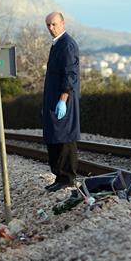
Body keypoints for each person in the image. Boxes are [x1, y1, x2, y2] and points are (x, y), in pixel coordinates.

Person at [42, 11, 80, 192]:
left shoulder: (67, 45)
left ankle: (67, 178)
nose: (51, 28)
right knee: (55, 139)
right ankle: (59, 176)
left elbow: (69, 75)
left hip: (63, 100)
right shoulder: (57, 44)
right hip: (53, 100)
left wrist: (63, 99)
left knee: (65, 139)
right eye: (48, 25)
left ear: (63, 23)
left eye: (54, 24)